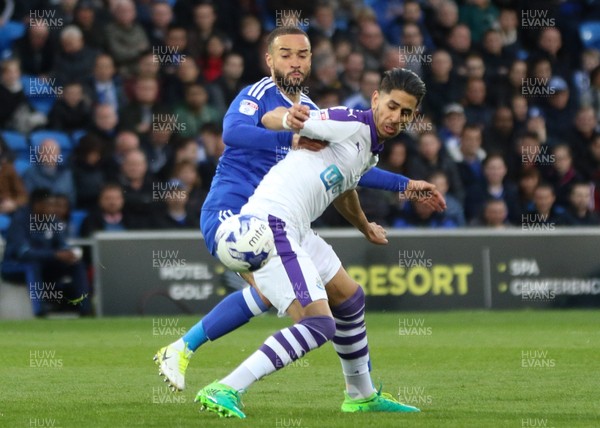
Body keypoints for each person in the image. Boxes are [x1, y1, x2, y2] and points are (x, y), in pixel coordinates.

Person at [154, 27, 443, 411]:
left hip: (288, 222)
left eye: (302, 55)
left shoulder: (354, 136)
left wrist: (403, 189)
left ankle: (361, 395)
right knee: (311, 318)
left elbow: (347, 178)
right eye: (285, 54)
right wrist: (287, 128)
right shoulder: (292, 106)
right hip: (242, 216)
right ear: (270, 59)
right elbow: (248, 127)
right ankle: (224, 386)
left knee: (348, 297)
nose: (295, 61)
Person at [1, 188, 91, 316]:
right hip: (14, 266)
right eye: (49, 204)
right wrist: (54, 255)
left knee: (76, 264)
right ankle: (40, 311)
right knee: (32, 266)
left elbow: (61, 245)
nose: (53, 208)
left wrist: (69, 253)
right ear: (37, 205)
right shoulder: (20, 221)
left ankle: (85, 309)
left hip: (45, 265)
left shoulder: (53, 221)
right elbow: (23, 253)